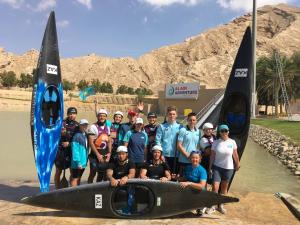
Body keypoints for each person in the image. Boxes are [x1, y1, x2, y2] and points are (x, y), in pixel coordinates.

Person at [208, 124, 240, 214]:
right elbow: (212, 156)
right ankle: (213, 206)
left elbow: (235, 154)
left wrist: (238, 164)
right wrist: (210, 167)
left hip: (229, 168)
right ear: (219, 132)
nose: (224, 133)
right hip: (217, 167)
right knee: (215, 187)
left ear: (228, 131)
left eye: (225, 131)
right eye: (222, 131)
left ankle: (220, 205)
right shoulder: (216, 142)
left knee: (224, 188)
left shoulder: (232, 142)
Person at [54, 107, 79, 189]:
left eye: (73, 114)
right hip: (60, 150)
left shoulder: (77, 125)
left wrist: (69, 143)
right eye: (70, 114)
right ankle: (57, 189)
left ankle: (71, 189)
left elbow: (78, 140)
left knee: (72, 171)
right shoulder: (61, 123)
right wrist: (60, 134)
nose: (72, 115)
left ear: (76, 115)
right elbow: (53, 135)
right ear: (68, 114)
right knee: (58, 171)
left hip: (71, 151)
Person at [155, 105, 182, 177]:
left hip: (176, 156)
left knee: (174, 176)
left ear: (176, 115)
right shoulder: (162, 126)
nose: (172, 116)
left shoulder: (181, 127)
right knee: (164, 176)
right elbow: (158, 141)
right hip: (164, 156)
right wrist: (161, 154)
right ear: (167, 114)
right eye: (170, 114)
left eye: (173, 114)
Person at [179, 151, 207, 216]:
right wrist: (177, 178)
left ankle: (201, 206)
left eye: (196, 158)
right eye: (193, 157)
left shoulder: (202, 170)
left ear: (200, 159)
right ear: (190, 158)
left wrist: (190, 183)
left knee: (199, 213)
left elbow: (202, 186)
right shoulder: (188, 167)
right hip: (189, 190)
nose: (194, 159)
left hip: (199, 191)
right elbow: (184, 179)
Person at [88, 109, 112, 183]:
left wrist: (109, 153)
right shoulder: (93, 127)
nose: (102, 117)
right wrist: (98, 155)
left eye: (104, 116)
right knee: (93, 172)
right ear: (98, 116)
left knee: (102, 173)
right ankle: (89, 188)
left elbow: (109, 141)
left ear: (106, 117)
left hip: (104, 153)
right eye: (100, 116)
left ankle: (98, 188)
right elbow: (91, 142)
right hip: (95, 154)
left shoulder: (107, 127)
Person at [70, 119, 89, 187]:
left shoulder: (85, 135)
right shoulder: (77, 136)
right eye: (83, 125)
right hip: (77, 163)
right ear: (79, 126)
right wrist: (78, 162)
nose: (84, 126)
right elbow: (75, 150)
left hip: (83, 162)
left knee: (78, 178)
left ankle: (77, 192)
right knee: (75, 178)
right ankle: (73, 194)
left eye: (86, 125)